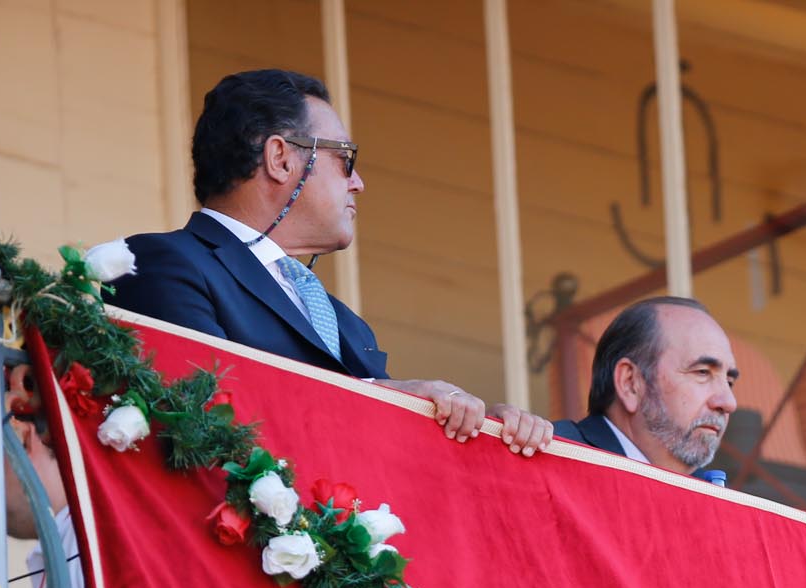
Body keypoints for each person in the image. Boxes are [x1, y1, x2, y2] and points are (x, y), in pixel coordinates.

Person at [110, 68, 551, 457]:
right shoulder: (162, 263)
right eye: (345, 159)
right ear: (280, 158)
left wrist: (484, 431)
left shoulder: (347, 325)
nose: (358, 183)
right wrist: (382, 395)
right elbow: (206, 411)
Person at [553, 296, 736, 483]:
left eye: (729, 382)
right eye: (702, 372)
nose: (729, 403)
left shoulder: (713, 496)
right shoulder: (549, 455)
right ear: (630, 383)